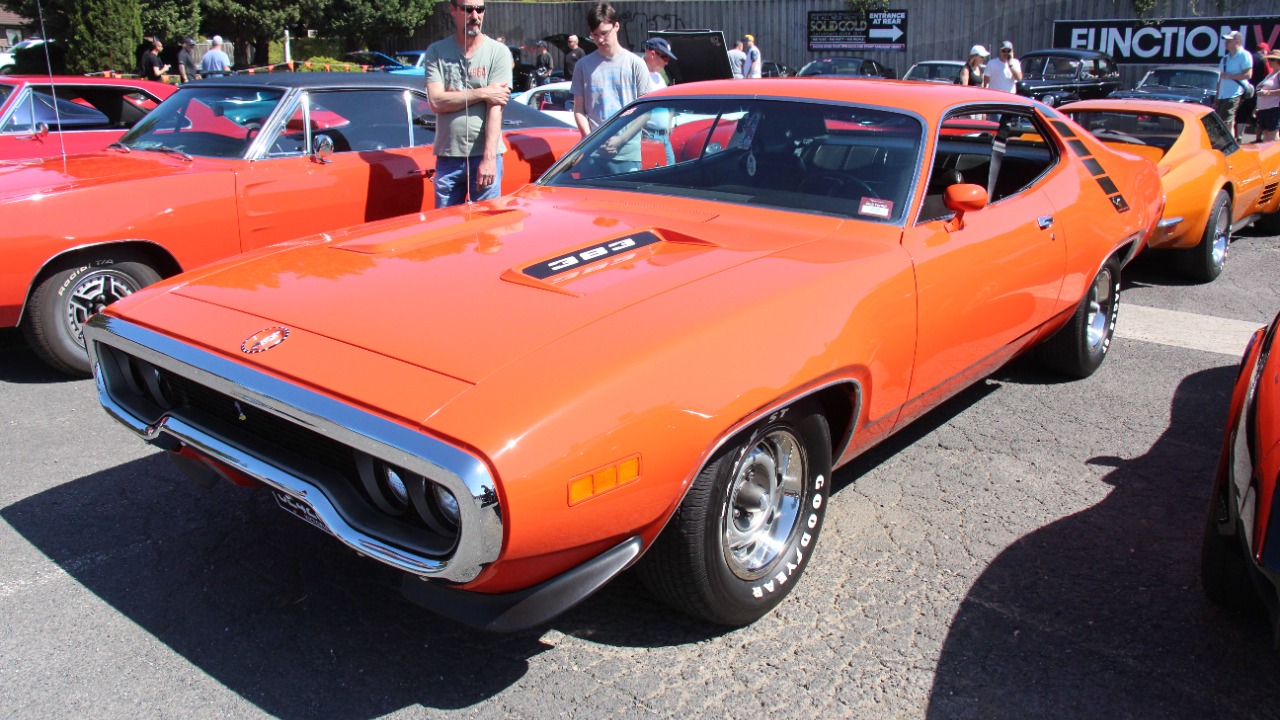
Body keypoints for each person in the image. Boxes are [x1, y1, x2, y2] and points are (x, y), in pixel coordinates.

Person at [423, 0, 512, 208]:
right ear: (453, 10)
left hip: (484, 154)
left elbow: (495, 107)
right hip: (449, 155)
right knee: (447, 229)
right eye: (467, 9)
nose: (475, 15)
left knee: (486, 229)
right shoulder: (437, 52)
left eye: (480, 9)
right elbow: (436, 102)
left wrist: (489, 159)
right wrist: (482, 93)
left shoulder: (498, 53)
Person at [571, 3, 651, 138]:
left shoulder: (636, 63)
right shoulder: (582, 66)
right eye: (595, 35)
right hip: (594, 148)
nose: (600, 40)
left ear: (617, 26)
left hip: (629, 150)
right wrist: (590, 139)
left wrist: (621, 139)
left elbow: (646, 111)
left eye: (604, 33)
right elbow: (578, 109)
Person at [641, 37, 677, 165]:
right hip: (649, 136)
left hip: (664, 136)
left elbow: (669, 102)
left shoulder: (660, 77)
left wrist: (669, 121)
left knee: (672, 172)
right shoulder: (639, 74)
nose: (666, 63)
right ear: (652, 54)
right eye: (665, 57)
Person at [1216, 30, 1254, 139]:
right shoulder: (1225, 58)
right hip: (1223, 94)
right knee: (1225, 122)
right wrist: (1217, 95)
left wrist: (1230, 76)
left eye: (1229, 40)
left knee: (1226, 121)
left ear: (1237, 42)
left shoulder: (1244, 55)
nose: (1225, 43)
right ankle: (1229, 144)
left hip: (1234, 92)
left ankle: (1229, 145)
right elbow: (1220, 78)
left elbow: (1248, 75)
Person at [1240, 41, 1271, 141]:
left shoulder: (1247, 58)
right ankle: (1258, 138)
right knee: (1258, 115)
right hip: (1258, 92)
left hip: (1244, 90)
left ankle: (1239, 137)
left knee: (1241, 115)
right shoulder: (1264, 61)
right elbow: (1269, 76)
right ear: (1264, 50)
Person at [1255, 50, 1280, 143]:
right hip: (1264, 109)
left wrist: (1267, 93)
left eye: (1272, 59)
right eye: (1269, 59)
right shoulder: (1271, 74)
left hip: (1274, 108)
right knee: (1266, 134)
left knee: (1273, 134)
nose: (1269, 61)